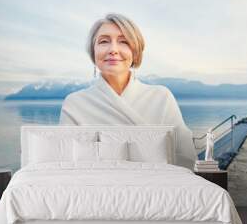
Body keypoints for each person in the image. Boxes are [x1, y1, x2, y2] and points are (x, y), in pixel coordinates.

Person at [59, 13, 197, 169]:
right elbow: (67, 165)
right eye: (104, 41)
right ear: (93, 51)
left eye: (123, 42)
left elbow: (186, 159)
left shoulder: (161, 97)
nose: (113, 49)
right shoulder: (75, 104)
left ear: (135, 51)